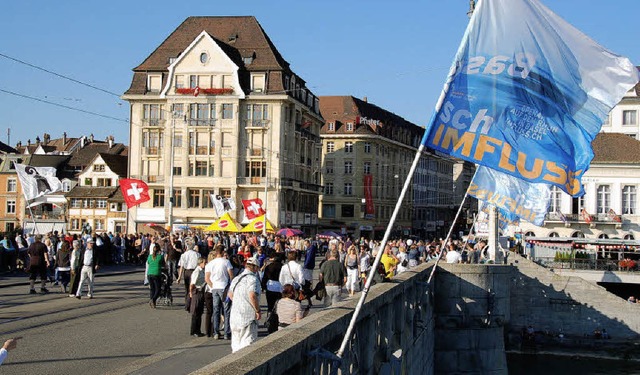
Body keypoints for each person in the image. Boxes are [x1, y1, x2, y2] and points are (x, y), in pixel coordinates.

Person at [228, 257, 262, 353]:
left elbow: (230, 294)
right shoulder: (253, 279)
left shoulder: (237, 278)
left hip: (235, 315)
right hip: (248, 316)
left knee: (236, 344)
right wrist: (257, 310)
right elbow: (252, 295)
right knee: (247, 343)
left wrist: (239, 301)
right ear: (255, 268)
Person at [205, 246, 234, 339]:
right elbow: (231, 275)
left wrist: (212, 286)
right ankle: (226, 332)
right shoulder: (226, 262)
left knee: (216, 310)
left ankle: (216, 332)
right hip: (224, 287)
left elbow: (207, 278)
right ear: (222, 252)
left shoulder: (210, 264)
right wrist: (230, 286)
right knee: (226, 310)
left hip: (215, 287)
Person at [176, 239, 199, 312]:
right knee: (193, 288)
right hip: (194, 271)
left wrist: (179, 277)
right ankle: (191, 303)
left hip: (186, 272)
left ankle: (187, 303)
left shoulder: (184, 255)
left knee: (187, 288)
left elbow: (181, 266)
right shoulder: (197, 254)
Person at [189, 257, 207, 337]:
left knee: (199, 311)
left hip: (201, 291)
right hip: (197, 291)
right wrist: (191, 292)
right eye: (204, 263)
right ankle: (194, 330)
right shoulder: (197, 271)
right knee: (196, 311)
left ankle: (198, 330)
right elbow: (192, 284)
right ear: (200, 263)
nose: (205, 264)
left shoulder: (202, 271)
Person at [147, 243, 165, 308]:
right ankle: (153, 299)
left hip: (149, 274)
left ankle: (153, 302)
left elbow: (148, 262)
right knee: (158, 289)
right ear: (159, 250)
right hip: (156, 273)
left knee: (152, 289)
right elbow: (163, 265)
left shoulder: (149, 256)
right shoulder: (160, 257)